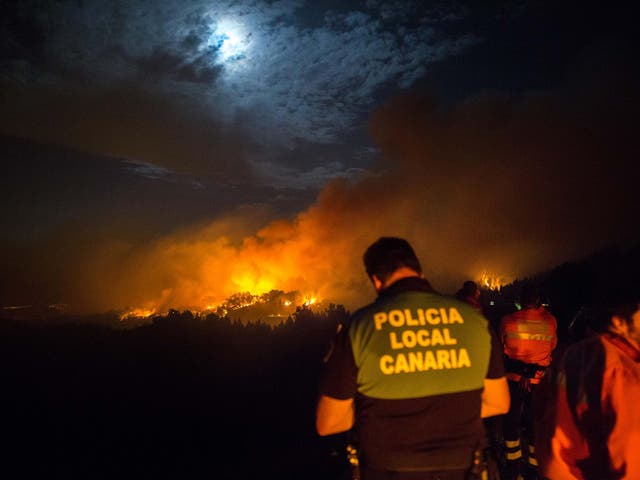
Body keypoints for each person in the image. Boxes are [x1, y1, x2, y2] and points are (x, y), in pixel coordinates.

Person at [316, 237, 510, 480]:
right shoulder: (474, 321)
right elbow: (499, 403)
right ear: (419, 272)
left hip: (386, 470)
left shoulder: (358, 328)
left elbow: (330, 423)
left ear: (376, 280)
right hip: (464, 469)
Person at [539, 286, 640, 480]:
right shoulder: (624, 374)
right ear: (619, 322)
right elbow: (630, 462)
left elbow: (541, 412)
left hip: (559, 469)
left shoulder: (572, 355)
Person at [499, 283, 558, 480]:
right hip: (538, 381)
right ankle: (533, 468)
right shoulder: (550, 321)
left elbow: (502, 346)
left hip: (514, 379)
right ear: (539, 301)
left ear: (520, 302)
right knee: (536, 424)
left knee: (511, 423)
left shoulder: (507, 321)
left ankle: (513, 468)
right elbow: (551, 346)